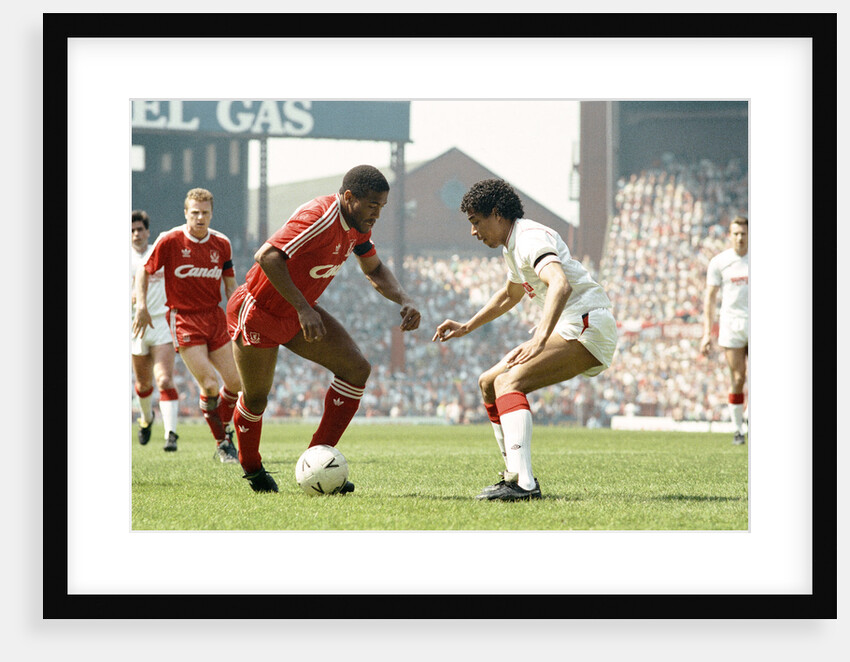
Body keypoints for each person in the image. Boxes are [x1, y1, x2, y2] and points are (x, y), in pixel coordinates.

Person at [227, 165, 421, 493]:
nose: (377, 213)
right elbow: (267, 256)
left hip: (299, 312)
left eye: (382, 207)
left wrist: (403, 298)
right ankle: (251, 467)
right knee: (257, 398)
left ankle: (317, 464)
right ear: (348, 198)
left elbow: (374, 268)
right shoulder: (319, 216)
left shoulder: (358, 227)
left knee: (356, 369)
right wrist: (304, 308)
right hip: (260, 310)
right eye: (372, 205)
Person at [433, 178, 618, 501]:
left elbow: (560, 284)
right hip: (572, 323)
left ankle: (524, 483)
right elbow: (509, 295)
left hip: (588, 322)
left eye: (476, 222)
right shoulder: (513, 245)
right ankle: (513, 475)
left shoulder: (531, 238)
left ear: (497, 214)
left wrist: (541, 338)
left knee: (510, 383)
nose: (474, 232)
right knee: (489, 382)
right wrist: (467, 326)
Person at [132, 188, 242, 463]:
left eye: (205, 213)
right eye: (195, 213)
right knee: (209, 383)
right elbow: (144, 270)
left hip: (215, 318)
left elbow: (230, 285)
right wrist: (142, 306)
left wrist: (239, 313)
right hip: (184, 319)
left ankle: (222, 425)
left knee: (236, 383)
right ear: (186, 213)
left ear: (211, 213)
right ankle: (223, 443)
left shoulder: (222, 243)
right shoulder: (170, 240)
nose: (200, 217)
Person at [131, 210, 180, 450]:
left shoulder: (158, 252)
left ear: (148, 232)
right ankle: (147, 419)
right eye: (132, 230)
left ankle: (171, 434)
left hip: (161, 321)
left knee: (164, 379)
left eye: (140, 229)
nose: (136, 234)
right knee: (142, 385)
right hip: (134, 325)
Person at [700, 216, 749, 445]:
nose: (740, 237)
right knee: (738, 378)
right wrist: (706, 334)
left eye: (744, 233)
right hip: (732, 324)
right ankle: (738, 429)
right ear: (730, 235)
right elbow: (709, 298)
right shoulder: (720, 262)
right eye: (736, 233)